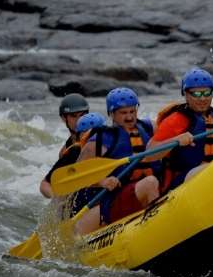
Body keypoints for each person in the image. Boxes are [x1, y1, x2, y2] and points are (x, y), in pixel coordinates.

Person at [74, 87, 178, 235]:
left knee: (155, 180)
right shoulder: (100, 140)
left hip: (150, 189)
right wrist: (102, 181)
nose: (129, 117)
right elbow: (78, 175)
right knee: (150, 183)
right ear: (112, 114)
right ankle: (160, 231)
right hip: (117, 198)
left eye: (132, 111)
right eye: (123, 113)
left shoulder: (150, 128)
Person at [152, 69, 213, 192]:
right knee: (210, 168)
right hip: (182, 181)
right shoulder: (175, 120)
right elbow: (150, 154)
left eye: (207, 93)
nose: (202, 98)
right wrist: (176, 140)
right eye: (196, 94)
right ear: (186, 94)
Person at [37, 94, 93, 198]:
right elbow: (45, 185)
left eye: (82, 115)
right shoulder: (66, 151)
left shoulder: (99, 136)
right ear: (64, 118)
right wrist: (56, 199)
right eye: (73, 116)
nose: (79, 120)